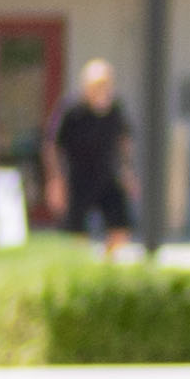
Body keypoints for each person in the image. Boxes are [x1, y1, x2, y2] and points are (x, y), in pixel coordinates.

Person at [46, 58, 137, 251]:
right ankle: (80, 265)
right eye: (96, 85)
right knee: (76, 234)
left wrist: (128, 172)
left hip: (107, 175)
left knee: (121, 227)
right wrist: (55, 180)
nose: (101, 89)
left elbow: (124, 141)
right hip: (78, 178)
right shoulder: (72, 109)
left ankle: (108, 262)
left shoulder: (115, 109)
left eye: (105, 84)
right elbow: (52, 145)